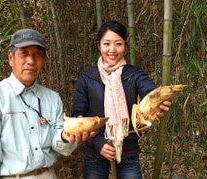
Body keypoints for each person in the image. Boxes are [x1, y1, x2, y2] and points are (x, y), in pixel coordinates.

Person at [0, 29, 94, 179]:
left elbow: (60, 145)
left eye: (37, 54)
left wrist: (65, 136)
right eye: (24, 53)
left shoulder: (52, 98)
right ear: (10, 57)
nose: (31, 61)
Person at [71, 21, 172, 179]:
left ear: (126, 44)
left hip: (128, 153)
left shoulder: (134, 75)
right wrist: (98, 144)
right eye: (107, 44)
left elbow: (150, 92)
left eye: (118, 44)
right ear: (99, 45)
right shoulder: (87, 78)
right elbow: (78, 115)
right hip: (95, 154)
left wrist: (157, 101)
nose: (112, 50)